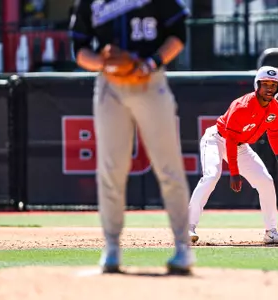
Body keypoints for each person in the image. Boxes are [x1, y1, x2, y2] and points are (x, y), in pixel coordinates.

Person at [69, 0, 195, 275]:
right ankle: (112, 247)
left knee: (168, 166)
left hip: (150, 82)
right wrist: (103, 62)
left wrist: (149, 63)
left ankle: (183, 246)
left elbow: (179, 34)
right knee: (111, 169)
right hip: (110, 85)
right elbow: (79, 49)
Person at [188, 66, 278, 244]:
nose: (269, 88)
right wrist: (234, 173)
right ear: (257, 85)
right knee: (211, 176)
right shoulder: (242, 106)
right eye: (265, 84)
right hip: (217, 139)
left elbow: (274, 134)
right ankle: (187, 227)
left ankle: (271, 232)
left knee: (266, 181)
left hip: (241, 146)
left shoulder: (276, 108)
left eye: (273, 85)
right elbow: (229, 140)